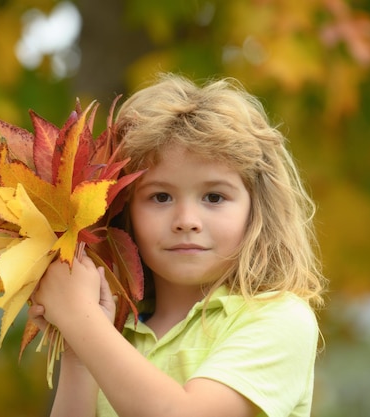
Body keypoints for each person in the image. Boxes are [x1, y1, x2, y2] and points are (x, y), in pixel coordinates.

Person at [28, 73, 327, 417]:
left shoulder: (278, 318)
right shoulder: (112, 332)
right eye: (161, 196)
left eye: (214, 197)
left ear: (256, 210)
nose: (187, 220)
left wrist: (79, 320)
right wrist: (79, 352)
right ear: (124, 211)